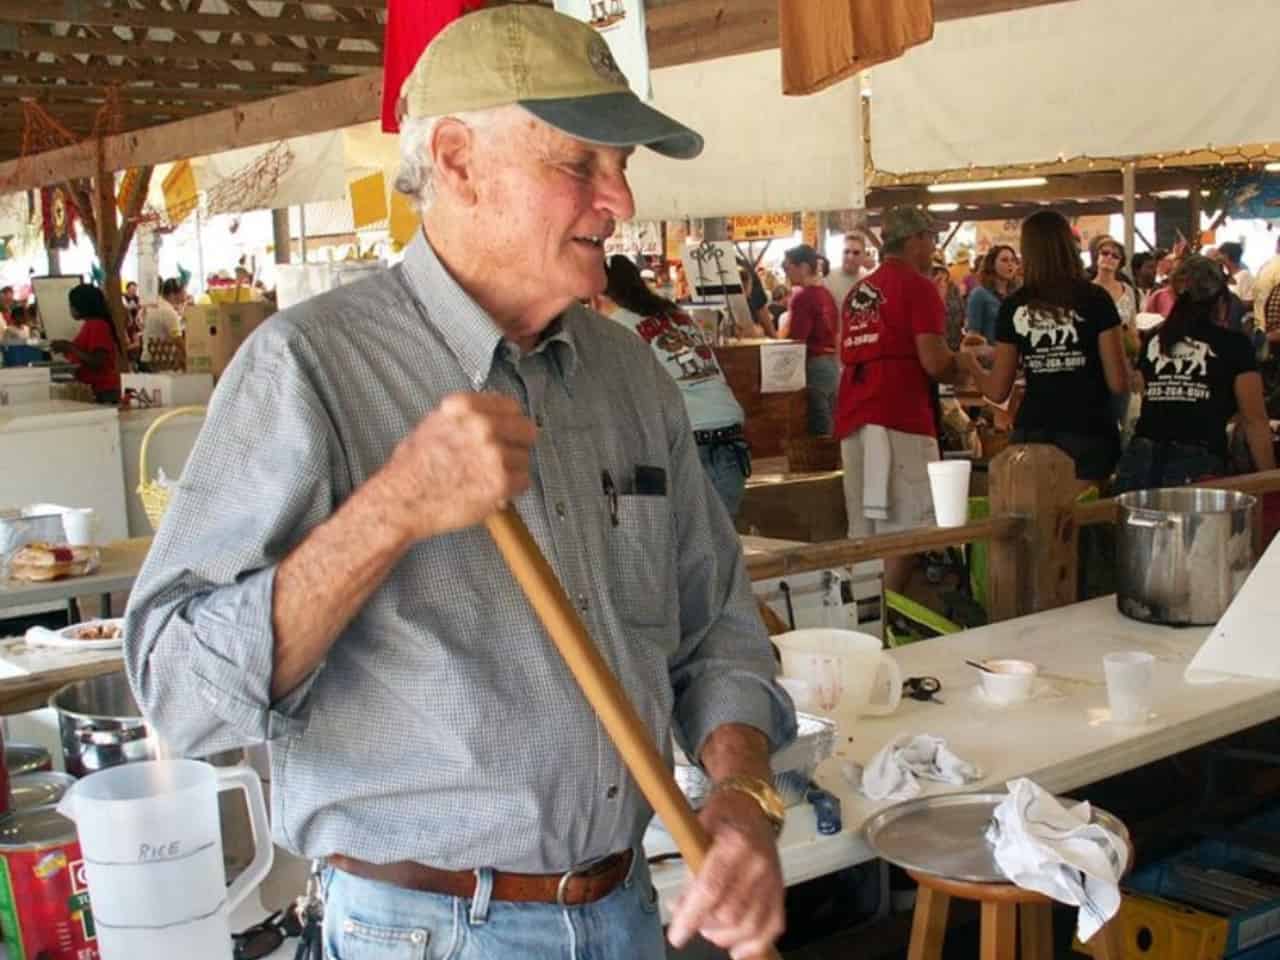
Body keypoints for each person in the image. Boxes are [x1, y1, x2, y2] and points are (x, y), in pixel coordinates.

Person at [123, 8, 795, 960]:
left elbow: (715, 623)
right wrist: (391, 511)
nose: (620, 202)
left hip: (632, 909)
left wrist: (742, 793)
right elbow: (176, 693)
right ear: (457, 158)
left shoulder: (628, 375)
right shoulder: (307, 368)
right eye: (581, 165)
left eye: (623, 166)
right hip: (426, 930)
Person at [836, 206, 964, 593]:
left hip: (855, 415)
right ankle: (880, 617)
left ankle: (861, 615)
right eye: (931, 238)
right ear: (915, 241)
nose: (934, 247)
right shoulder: (918, 286)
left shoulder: (861, 291)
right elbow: (935, 361)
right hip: (899, 415)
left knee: (864, 532)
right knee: (908, 529)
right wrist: (970, 364)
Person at [966, 210, 1129, 486]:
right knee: (1087, 522)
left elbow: (996, 390)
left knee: (1038, 524)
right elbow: (1118, 381)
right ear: (1068, 246)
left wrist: (969, 363)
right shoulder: (1096, 299)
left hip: (1036, 431)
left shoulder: (1016, 305)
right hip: (1089, 430)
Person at [600, 254, 751, 517]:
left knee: (681, 549)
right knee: (720, 547)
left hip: (686, 443)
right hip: (730, 442)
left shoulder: (614, 327)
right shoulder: (677, 314)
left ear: (600, 296)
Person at [1114, 255, 1275, 490]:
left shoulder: (1155, 339)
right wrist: (1270, 482)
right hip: (1197, 463)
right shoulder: (1234, 345)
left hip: (1139, 460)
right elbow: (1255, 420)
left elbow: (1145, 392)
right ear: (1221, 299)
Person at [781, 243, 840, 435]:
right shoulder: (826, 295)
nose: (786, 272)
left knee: (819, 426)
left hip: (814, 365)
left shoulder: (802, 298)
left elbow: (797, 339)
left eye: (788, 267)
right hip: (831, 365)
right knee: (830, 422)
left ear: (804, 267)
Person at [49, 283, 122, 404]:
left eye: (71, 305)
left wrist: (70, 347)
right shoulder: (90, 324)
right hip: (95, 389)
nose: (70, 308)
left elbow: (98, 361)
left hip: (102, 390)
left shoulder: (97, 325)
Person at [965, 244, 1017, 342]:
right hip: (990, 354)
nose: (1010, 264)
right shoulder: (979, 294)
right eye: (1004, 260)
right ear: (992, 264)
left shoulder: (1017, 295)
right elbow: (972, 335)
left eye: (1013, 260)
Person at [141, 278, 185, 367]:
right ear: (173, 294)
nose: (185, 294)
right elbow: (177, 340)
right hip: (158, 362)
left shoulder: (156, 304)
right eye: (183, 291)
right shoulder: (168, 311)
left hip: (147, 357)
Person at [825, 231, 872, 313]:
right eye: (846, 252)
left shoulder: (869, 280)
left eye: (856, 253)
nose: (850, 257)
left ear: (864, 255)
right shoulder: (827, 278)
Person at [931, 263, 965, 350]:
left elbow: (962, 311)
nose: (941, 282)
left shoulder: (953, 291)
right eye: (935, 274)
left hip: (956, 339)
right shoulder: (926, 294)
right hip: (937, 344)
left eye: (944, 278)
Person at [1218, 241, 1254, 308]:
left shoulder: (1245, 275)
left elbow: (1249, 302)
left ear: (1226, 256)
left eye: (1219, 254)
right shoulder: (1224, 274)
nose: (1218, 257)